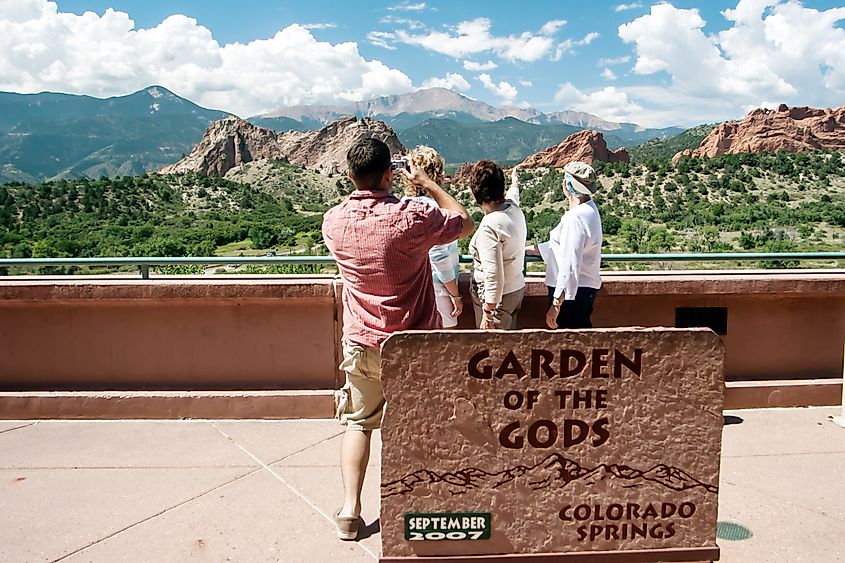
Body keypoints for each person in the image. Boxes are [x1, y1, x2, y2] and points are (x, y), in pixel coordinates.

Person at [321, 139, 473, 541]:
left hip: (362, 343)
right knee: (419, 426)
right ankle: (417, 509)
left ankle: (351, 511)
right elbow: (464, 220)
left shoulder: (333, 221)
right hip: (413, 348)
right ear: (390, 173)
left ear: (351, 175)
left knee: (358, 424)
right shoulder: (414, 215)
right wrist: (428, 182)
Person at [532, 161, 603, 329]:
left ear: (567, 185)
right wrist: (528, 250)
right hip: (585, 290)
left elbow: (570, 264)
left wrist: (556, 305)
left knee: (568, 345)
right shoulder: (590, 210)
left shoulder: (575, 218)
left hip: (571, 296)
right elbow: (561, 246)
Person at [399, 146, 462, 328]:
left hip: (410, 293)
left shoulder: (402, 206)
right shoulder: (435, 211)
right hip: (437, 294)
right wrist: (455, 295)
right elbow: (439, 256)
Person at [467, 161, 526, 329]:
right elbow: (514, 196)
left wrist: (488, 312)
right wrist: (515, 183)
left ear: (475, 193)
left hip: (497, 302)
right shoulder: (513, 209)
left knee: (494, 351)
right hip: (515, 289)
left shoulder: (490, 226)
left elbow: (493, 274)